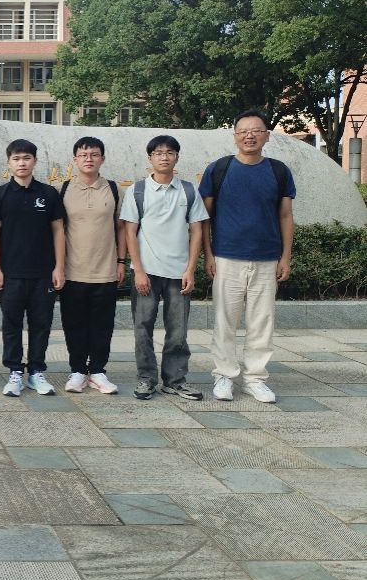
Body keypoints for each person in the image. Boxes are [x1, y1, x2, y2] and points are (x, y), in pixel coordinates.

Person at [200, 109, 295, 404]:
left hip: (267, 259)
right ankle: (224, 376)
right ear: (235, 136)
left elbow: (286, 216)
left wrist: (285, 257)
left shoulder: (278, 171)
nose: (249, 136)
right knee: (225, 321)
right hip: (227, 257)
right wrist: (208, 254)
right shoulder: (219, 169)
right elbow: (204, 218)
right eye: (243, 131)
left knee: (262, 322)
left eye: (256, 131)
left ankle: (255, 379)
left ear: (267, 135)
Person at [120, 135, 209, 401]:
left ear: (177, 157)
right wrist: (138, 270)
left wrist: (191, 269)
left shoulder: (188, 191)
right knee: (142, 328)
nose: (164, 157)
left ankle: (175, 380)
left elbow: (197, 231)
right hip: (146, 272)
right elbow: (130, 231)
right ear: (150, 158)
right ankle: (146, 379)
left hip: (179, 273)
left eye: (170, 152)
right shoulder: (137, 191)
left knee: (178, 330)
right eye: (158, 153)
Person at [0, 139, 65, 397]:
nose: (22, 163)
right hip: (11, 274)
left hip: (43, 273)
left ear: (35, 161)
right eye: (16, 159)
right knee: (12, 325)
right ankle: (15, 372)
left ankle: (37, 372)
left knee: (41, 324)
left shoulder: (48, 193)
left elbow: (58, 230)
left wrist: (59, 267)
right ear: (9, 162)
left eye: (26, 158)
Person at [57, 137, 125, 395]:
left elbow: (121, 228)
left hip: (105, 271)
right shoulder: (63, 189)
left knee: (102, 325)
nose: (89, 159)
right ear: (75, 159)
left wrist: (121, 261)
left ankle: (97, 371)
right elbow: (57, 231)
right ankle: (77, 370)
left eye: (94, 154)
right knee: (73, 324)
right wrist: (57, 267)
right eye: (83, 155)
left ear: (102, 159)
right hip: (73, 271)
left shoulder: (114, 189)